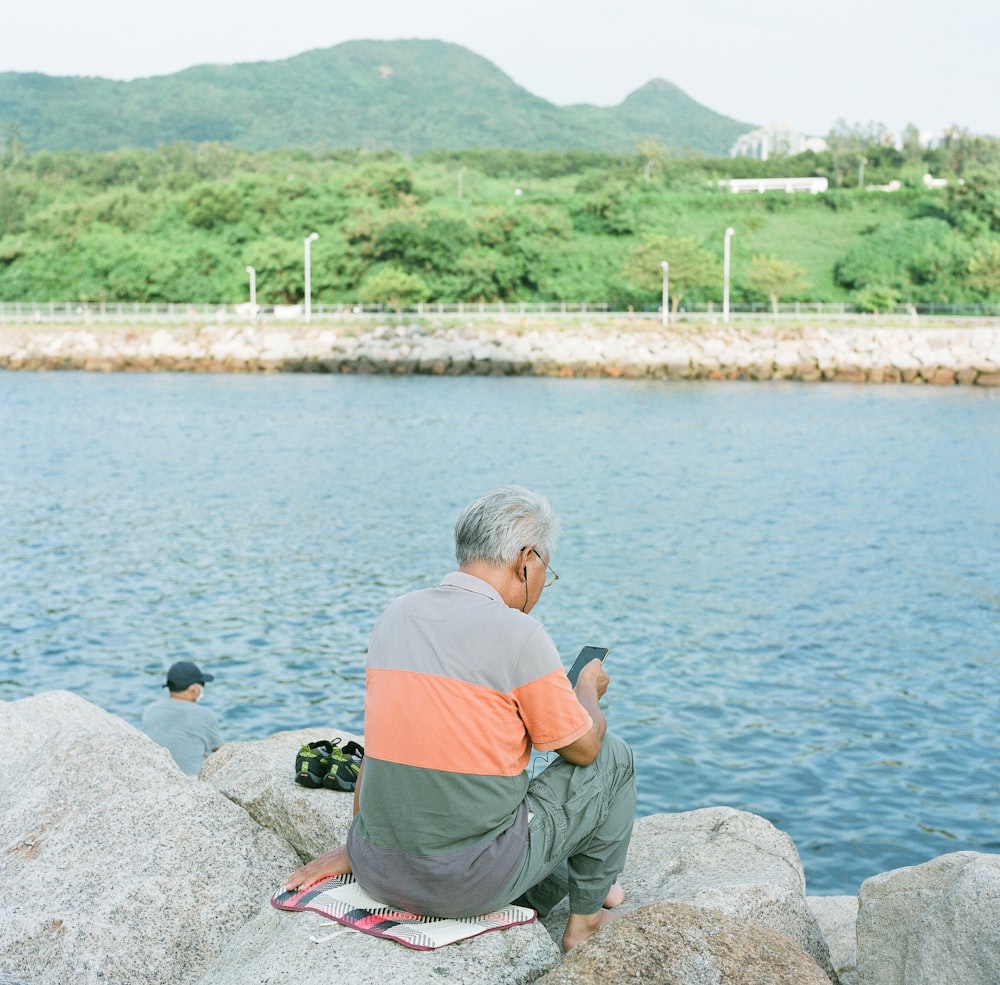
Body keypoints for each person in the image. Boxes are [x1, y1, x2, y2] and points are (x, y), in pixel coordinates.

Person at [283, 485, 636, 951]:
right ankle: (586, 917)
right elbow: (585, 748)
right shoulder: (519, 633)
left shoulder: (396, 615)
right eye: (546, 572)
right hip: (465, 886)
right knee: (615, 756)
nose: (542, 586)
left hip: (378, 869)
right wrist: (587, 687)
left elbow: (382, 744)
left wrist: (361, 847)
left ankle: (581, 876)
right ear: (526, 559)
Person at [141, 660, 222, 776]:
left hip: (157, 776)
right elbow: (222, 753)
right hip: (193, 781)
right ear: (194, 689)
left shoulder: (149, 710)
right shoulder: (205, 714)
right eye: (202, 685)